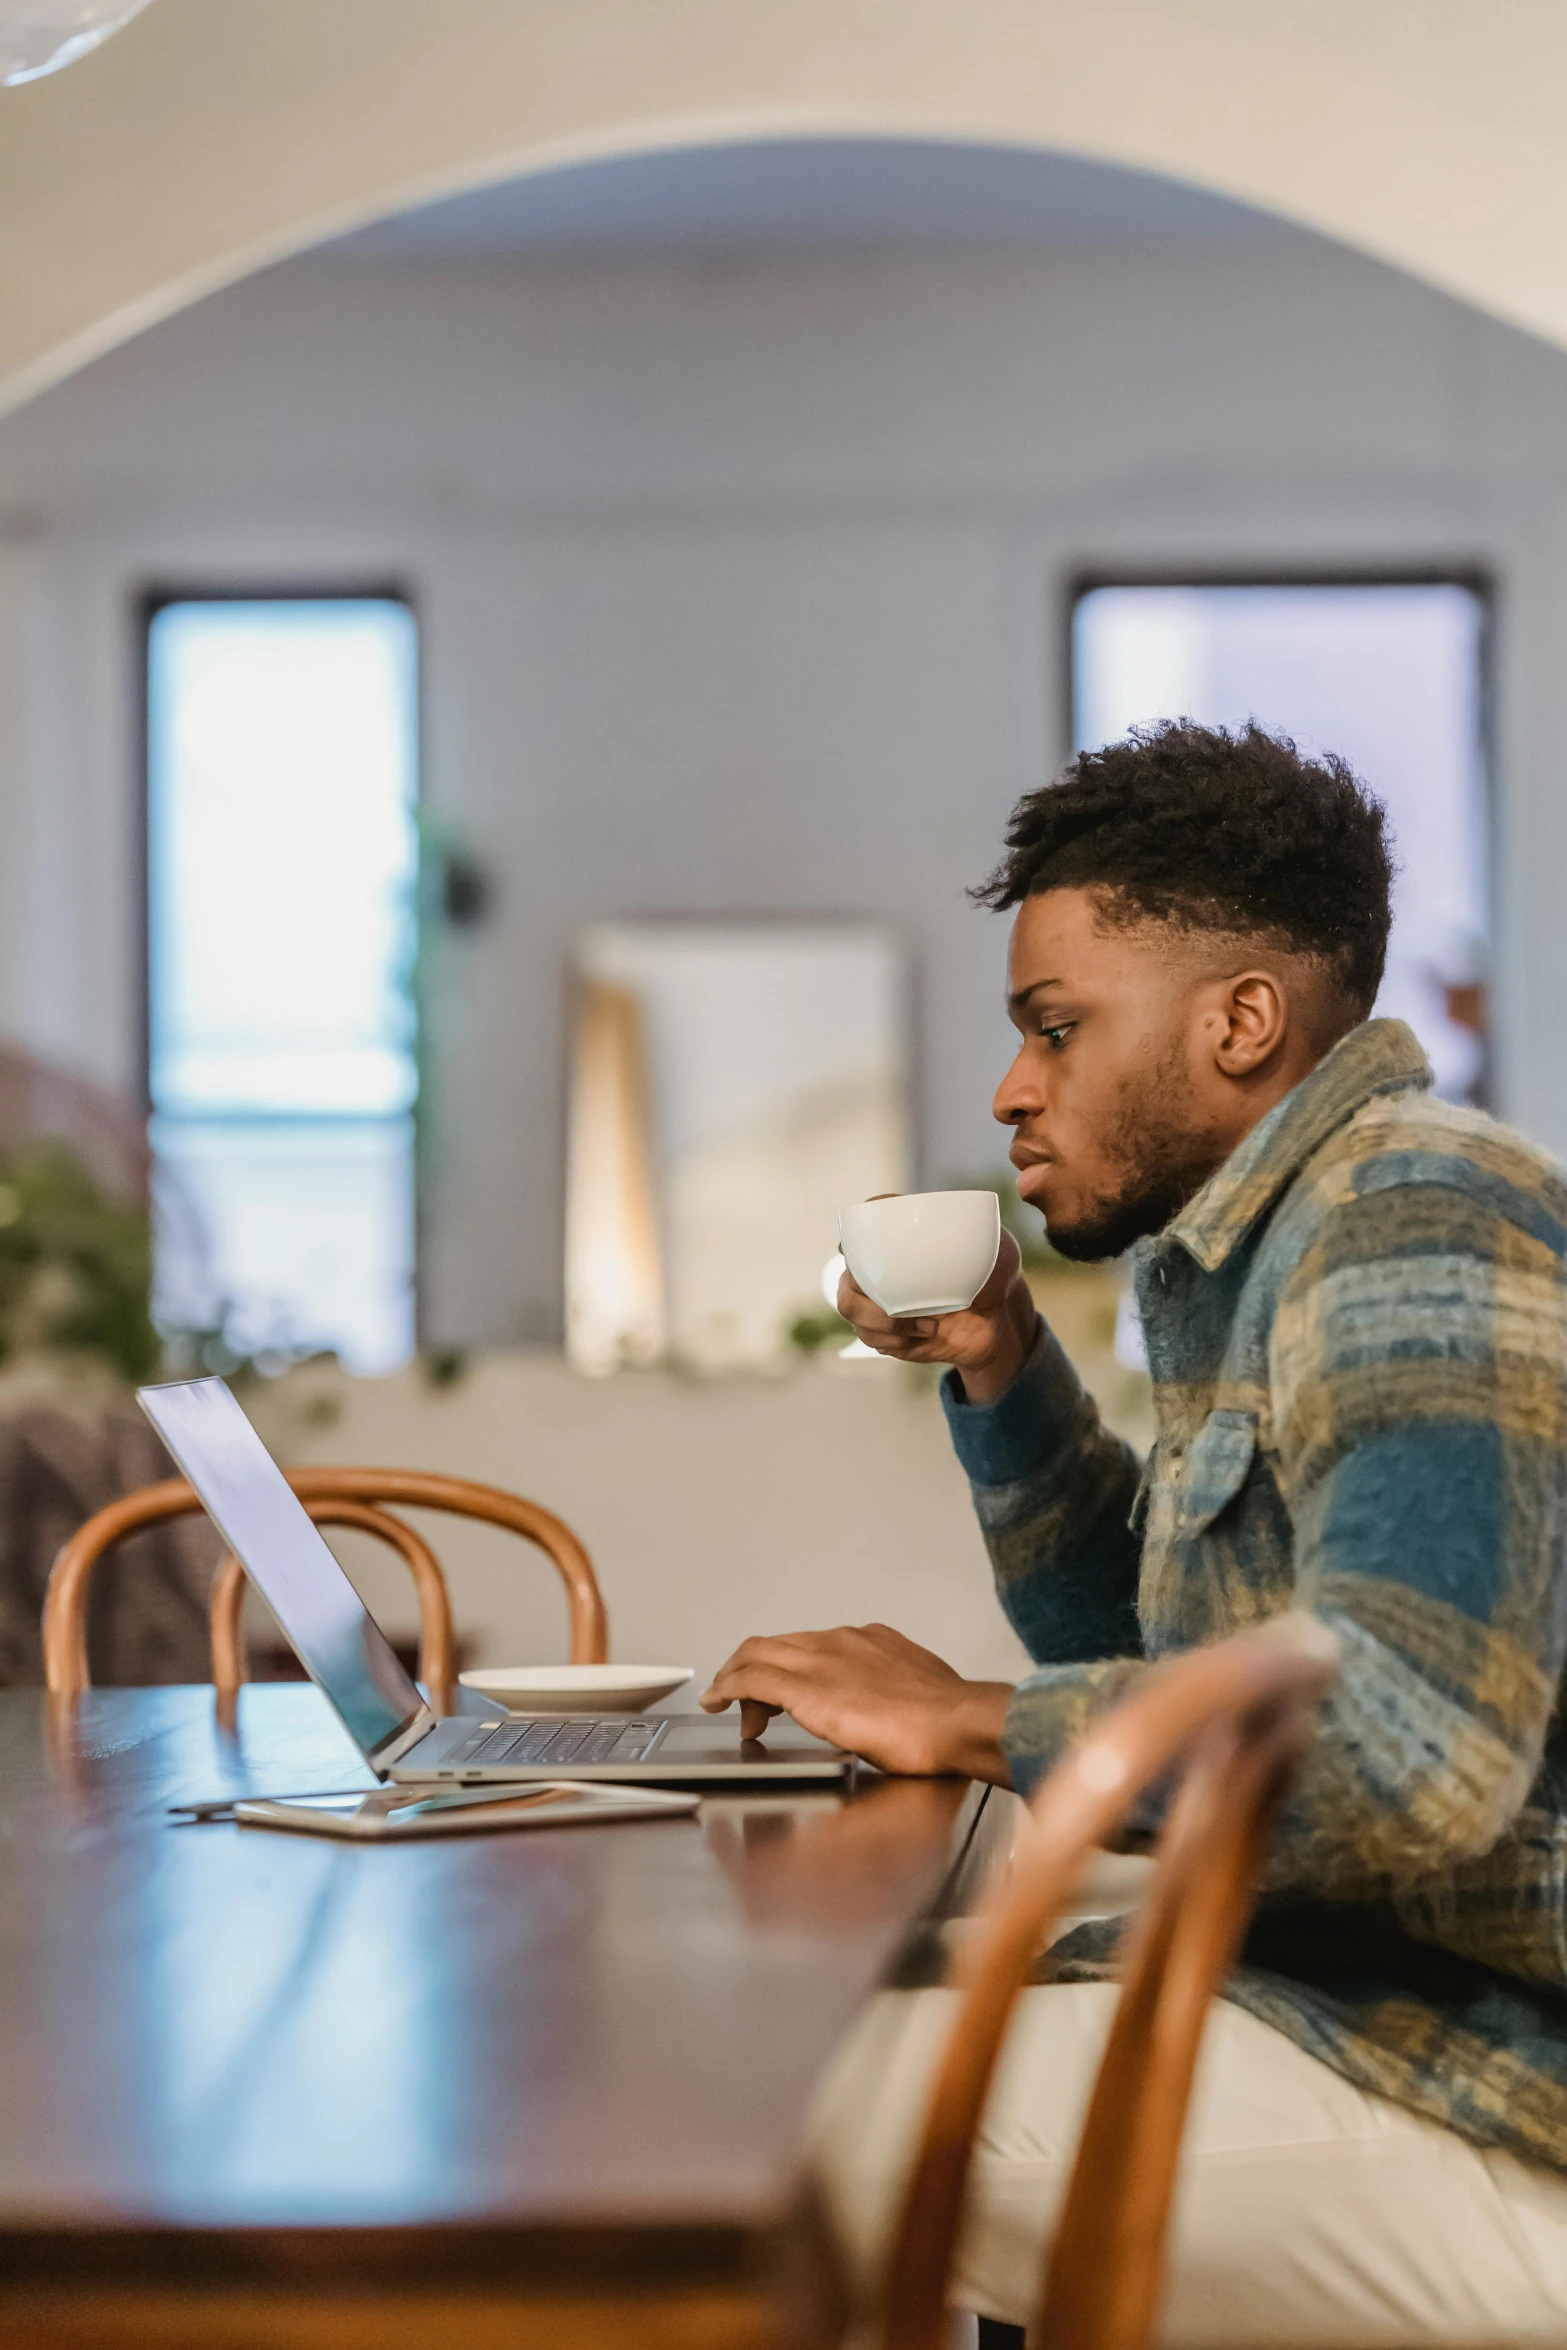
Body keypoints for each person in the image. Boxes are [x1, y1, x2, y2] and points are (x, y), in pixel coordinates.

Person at [701, 721, 1567, 2347]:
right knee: (820, 2026)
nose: (1010, 1089)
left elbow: (1411, 1754)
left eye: (1053, 1027)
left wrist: (966, 1721)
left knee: (772, 2123)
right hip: (1357, 1991)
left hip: (1505, 2083)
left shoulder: (1415, 1214)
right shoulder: (1257, 1247)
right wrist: (1005, 1361)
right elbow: (1152, 1658)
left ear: (1242, 1020)